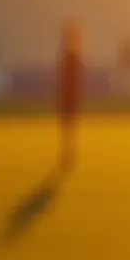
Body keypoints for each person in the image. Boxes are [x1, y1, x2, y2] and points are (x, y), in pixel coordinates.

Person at [57, 21, 85, 171]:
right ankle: (68, 153)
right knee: (68, 127)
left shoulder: (71, 58)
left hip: (69, 98)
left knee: (68, 127)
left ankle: (68, 154)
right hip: (68, 97)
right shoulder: (70, 58)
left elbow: (73, 80)